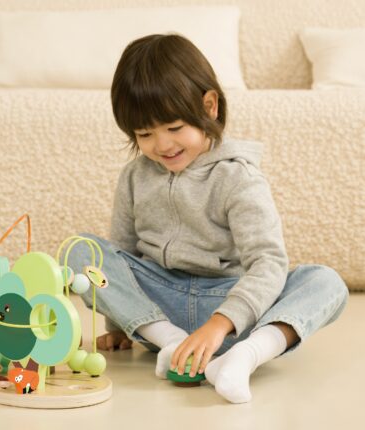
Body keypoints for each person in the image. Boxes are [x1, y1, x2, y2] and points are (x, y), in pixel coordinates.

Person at [67, 33, 349, 404]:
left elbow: (267, 262)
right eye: (144, 134)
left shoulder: (238, 177)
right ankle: (172, 343)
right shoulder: (135, 177)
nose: (162, 145)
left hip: (231, 311)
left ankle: (244, 356)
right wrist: (120, 325)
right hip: (160, 308)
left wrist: (220, 323)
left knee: (326, 283)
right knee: (79, 251)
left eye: (174, 128)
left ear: (210, 106)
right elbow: (122, 255)